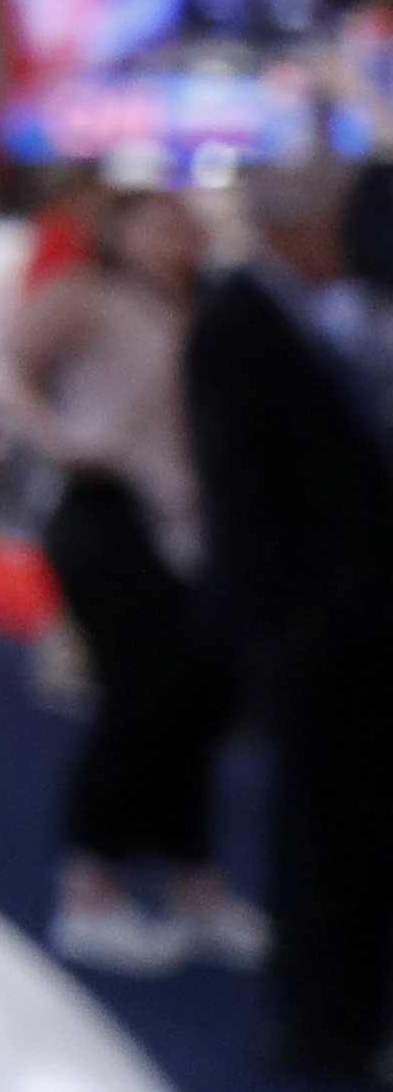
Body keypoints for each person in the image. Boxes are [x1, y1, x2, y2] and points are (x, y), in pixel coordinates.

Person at [0, 187, 255, 972]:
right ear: (118, 230)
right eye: (157, 221)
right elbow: (4, 368)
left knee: (199, 701)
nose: (175, 236)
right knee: (141, 698)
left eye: (184, 222)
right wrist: (63, 438)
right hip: (108, 515)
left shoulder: (210, 304)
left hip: (196, 522)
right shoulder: (85, 297)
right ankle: (92, 889)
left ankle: (193, 885)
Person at [193, 150, 393, 1076]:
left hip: (350, 631)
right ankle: (320, 1025)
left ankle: (342, 1013)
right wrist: (292, 621)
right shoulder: (237, 316)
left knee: (347, 829)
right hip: (314, 637)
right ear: (300, 226)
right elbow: (242, 493)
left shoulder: (313, 314)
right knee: (321, 834)